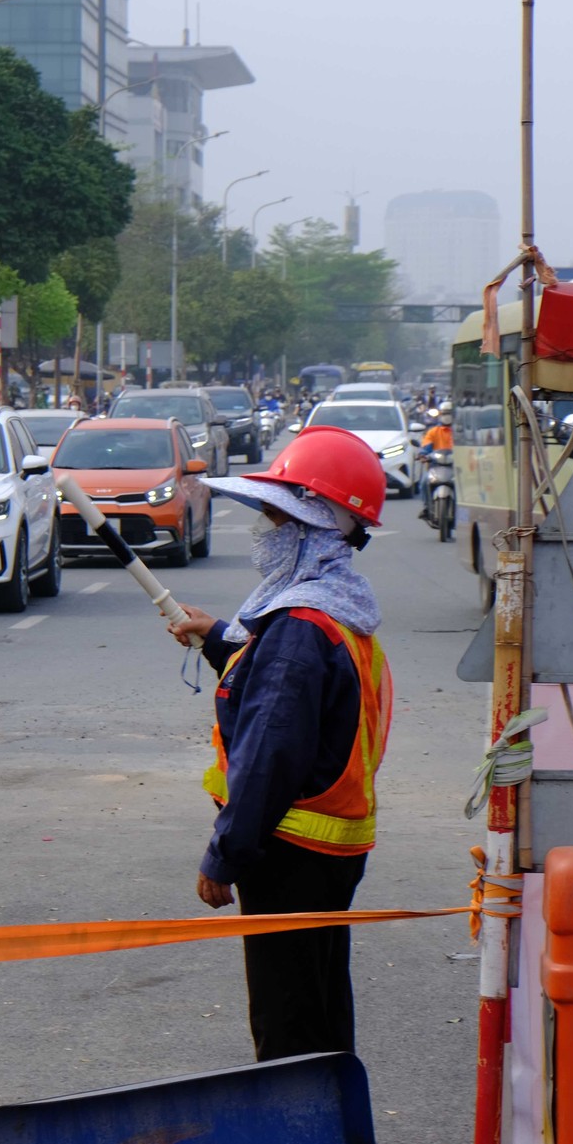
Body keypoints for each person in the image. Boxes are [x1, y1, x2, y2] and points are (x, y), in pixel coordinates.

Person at [165, 427, 392, 1062]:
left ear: (314, 531)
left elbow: (270, 754)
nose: (265, 532)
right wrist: (217, 638)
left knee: (289, 1028)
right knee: (318, 1014)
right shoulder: (336, 610)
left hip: (288, 854)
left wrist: (224, 856)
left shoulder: (298, 626)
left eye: (276, 518)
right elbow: (286, 696)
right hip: (328, 855)